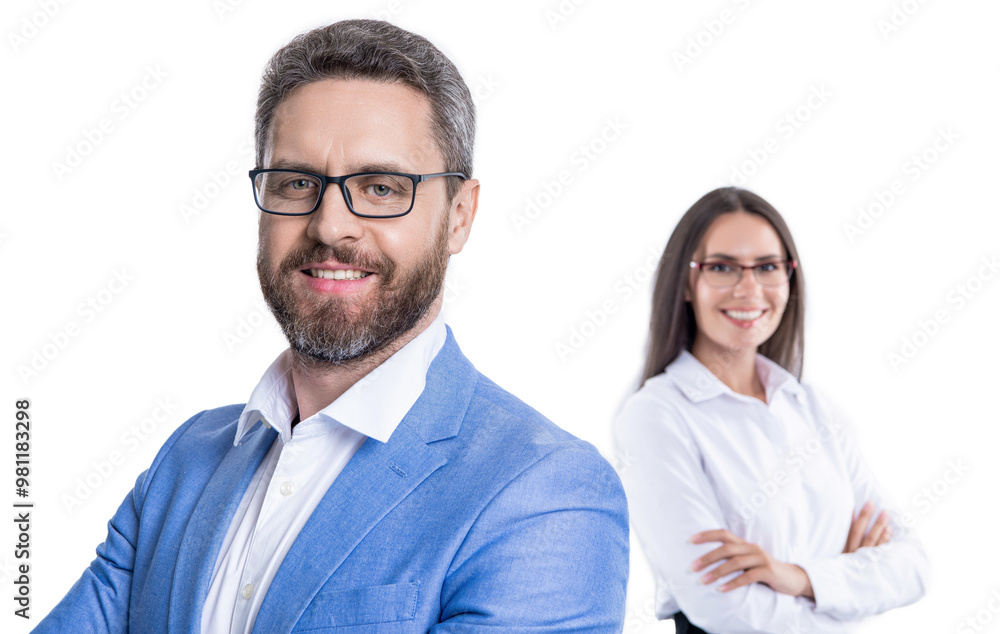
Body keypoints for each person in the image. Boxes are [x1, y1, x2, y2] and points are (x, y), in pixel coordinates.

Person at [36, 20, 628, 633]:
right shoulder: (187, 462)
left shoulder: (546, 494)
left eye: (380, 187)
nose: (329, 225)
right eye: (297, 183)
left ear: (459, 216)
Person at [613, 187, 928, 633]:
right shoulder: (655, 417)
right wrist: (843, 583)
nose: (749, 288)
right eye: (721, 267)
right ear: (686, 283)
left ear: (789, 278)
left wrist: (793, 577)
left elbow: (912, 566)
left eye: (767, 267)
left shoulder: (812, 407)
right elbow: (724, 610)